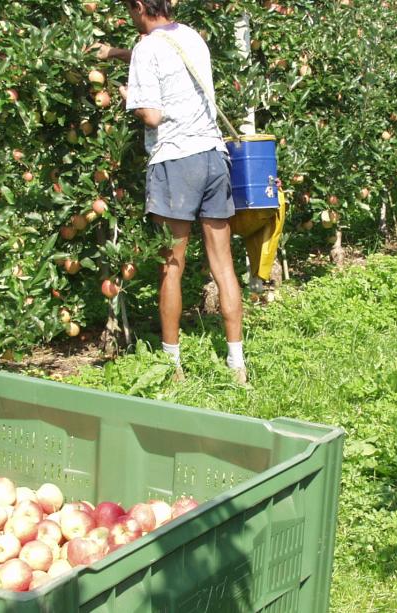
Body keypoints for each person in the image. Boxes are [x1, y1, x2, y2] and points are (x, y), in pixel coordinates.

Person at [95, 0, 247, 384]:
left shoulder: (148, 48)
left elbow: (151, 114)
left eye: (131, 10)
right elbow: (167, 62)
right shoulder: (191, 36)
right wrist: (116, 53)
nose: (131, 17)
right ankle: (237, 363)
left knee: (171, 266)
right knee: (223, 264)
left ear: (142, 6)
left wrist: (130, 92)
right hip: (213, 156)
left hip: (176, 160)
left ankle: (171, 365)